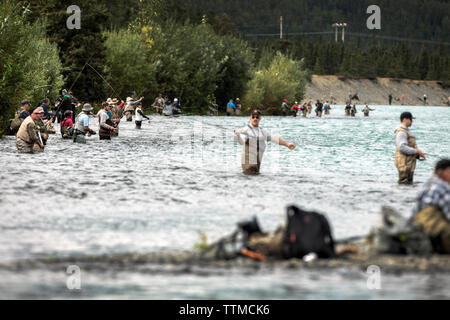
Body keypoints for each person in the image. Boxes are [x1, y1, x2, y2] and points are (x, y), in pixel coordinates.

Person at [234, 109, 296, 175]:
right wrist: (238, 136)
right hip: (248, 162)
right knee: (251, 175)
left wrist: (287, 144)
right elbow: (241, 142)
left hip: (257, 162)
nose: (255, 119)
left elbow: (274, 139)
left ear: (260, 119)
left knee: (256, 177)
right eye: (253, 117)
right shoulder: (246, 130)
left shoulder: (262, 131)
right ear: (250, 118)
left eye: (257, 117)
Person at [411, 159, 450, 253]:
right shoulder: (442, 187)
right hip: (435, 234)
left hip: (419, 231)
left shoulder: (426, 185)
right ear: (446, 172)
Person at [394, 112, 426, 184]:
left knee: (408, 185)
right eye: (411, 119)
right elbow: (402, 147)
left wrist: (418, 154)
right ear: (405, 119)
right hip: (404, 164)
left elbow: (409, 147)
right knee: (403, 184)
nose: (412, 121)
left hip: (408, 164)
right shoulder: (401, 132)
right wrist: (416, 151)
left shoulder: (407, 131)